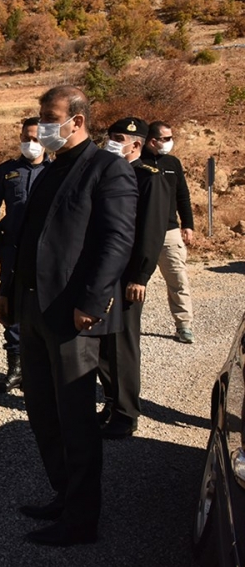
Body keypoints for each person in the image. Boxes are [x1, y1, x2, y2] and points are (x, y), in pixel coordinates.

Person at [0, 86, 137, 547]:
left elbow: (116, 241)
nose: (42, 125)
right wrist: (8, 293)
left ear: (77, 120)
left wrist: (92, 304)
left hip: (73, 316)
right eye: (40, 116)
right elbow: (25, 240)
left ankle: (81, 520)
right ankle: (65, 494)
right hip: (34, 309)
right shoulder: (51, 169)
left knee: (75, 418)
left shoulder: (107, 169)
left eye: (50, 116)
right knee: (42, 411)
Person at [97, 117, 170, 440]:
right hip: (103, 271)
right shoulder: (109, 173)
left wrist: (140, 275)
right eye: (110, 137)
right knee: (101, 343)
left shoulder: (149, 178)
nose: (110, 143)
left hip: (127, 275)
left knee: (122, 345)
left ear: (136, 144)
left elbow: (151, 232)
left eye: (118, 138)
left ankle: (126, 414)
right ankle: (111, 402)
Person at [0, 117, 46, 393]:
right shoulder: (7, 171)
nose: (31, 143)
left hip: (44, 253)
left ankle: (39, 371)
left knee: (43, 310)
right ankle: (16, 370)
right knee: (11, 307)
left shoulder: (57, 171)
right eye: (26, 138)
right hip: (12, 250)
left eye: (36, 138)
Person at [141, 121, 195, 344]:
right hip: (142, 233)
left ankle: (184, 325)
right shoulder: (137, 162)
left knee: (178, 280)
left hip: (170, 231)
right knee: (135, 281)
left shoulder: (173, 163)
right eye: (166, 138)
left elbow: (183, 195)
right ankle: (128, 326)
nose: (170, 142)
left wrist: (188, 225)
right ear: (153, 141)